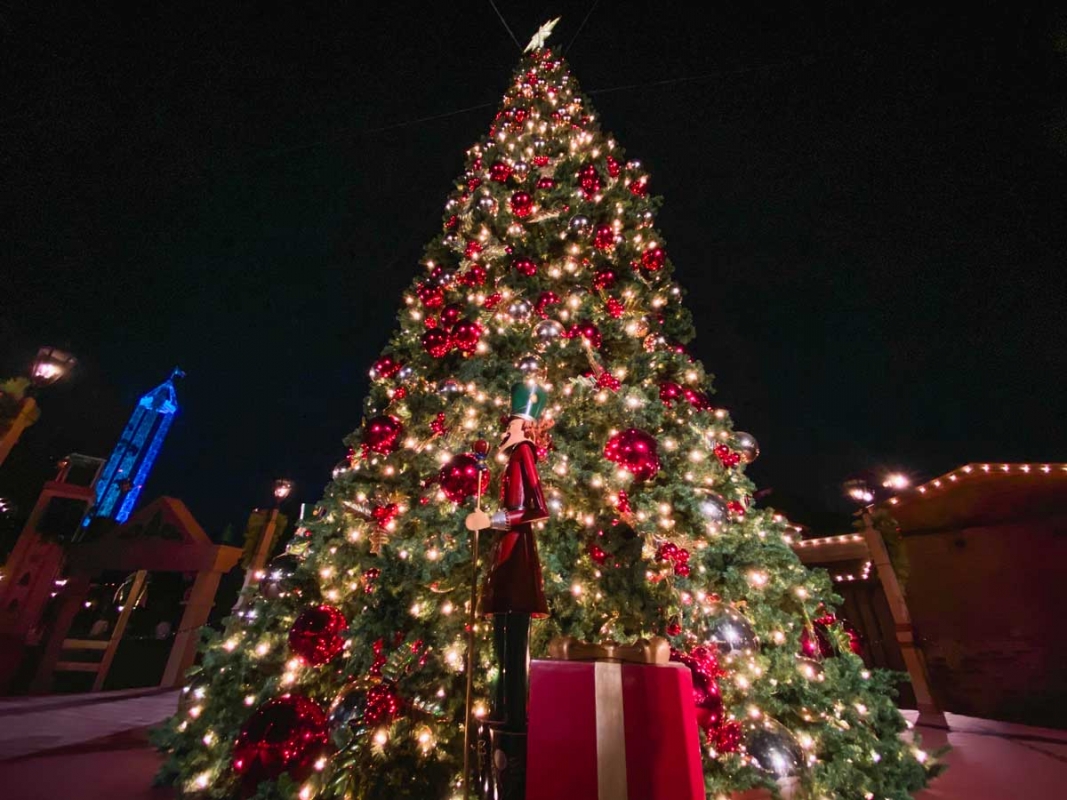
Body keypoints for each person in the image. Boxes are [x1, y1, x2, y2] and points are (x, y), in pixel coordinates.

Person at [466, 382, 551, 800]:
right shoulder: (510, 458)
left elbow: (537, 507)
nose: (506, 427)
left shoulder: (524, 454)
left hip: (516, 556)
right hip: (507, 555)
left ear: (523, 427)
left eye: (512, 421)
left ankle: (514, 727)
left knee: (513, 642)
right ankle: (504, 716)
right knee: (503, 640)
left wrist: (494, 520)